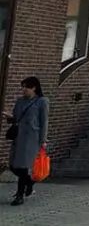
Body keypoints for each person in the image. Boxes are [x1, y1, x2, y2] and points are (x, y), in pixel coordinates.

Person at [4, 76, 49, 206]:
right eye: (22, 87)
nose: (23, 90)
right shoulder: (20, 101)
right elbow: (16, 118)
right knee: (13, 166)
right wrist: (10, 117)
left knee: (23, 167)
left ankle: (19, 195)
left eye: (26, 87)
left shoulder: (42, 101)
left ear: (34, 88)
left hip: (31, 137)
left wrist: (43, 140)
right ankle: (29, 183)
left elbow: (44, 121)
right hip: (19, 136)